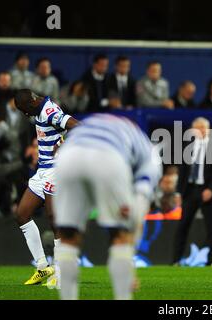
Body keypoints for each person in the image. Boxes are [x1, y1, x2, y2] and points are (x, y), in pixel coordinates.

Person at [54, 113, 161, 300]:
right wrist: (129, 261)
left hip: (67, 156)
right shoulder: (149, 153)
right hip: (108, 156)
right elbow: (139, 207)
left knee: (68, 238)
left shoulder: (108, 124)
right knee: (121, 236)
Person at [13, 89, 78, 285]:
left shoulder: (50, 112)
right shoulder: (39, 108)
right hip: (43, 171)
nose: (24, 115)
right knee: (22, 214)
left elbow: (77, 126)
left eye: (24, 110)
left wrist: (65, 145)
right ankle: (42, 267)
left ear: (30, 105)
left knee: (54, 219)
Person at [173, 117, 212, 265]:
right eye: (198, 127)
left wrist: (211, 189)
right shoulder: (186, 147)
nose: (201, 130)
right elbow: (182, 172)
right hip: (190, 190)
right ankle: (176, 260)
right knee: (182, 226)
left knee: (211, 227)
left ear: (208, 130)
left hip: (207, 190)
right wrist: (178, 192)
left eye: (203, 127)